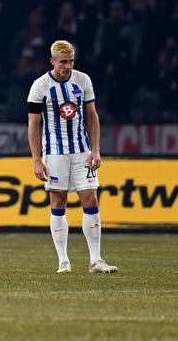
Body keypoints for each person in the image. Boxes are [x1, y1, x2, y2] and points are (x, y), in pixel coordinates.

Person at [27, 40, 118, 274]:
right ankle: (63, 261)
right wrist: (37, 160)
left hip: (81, 151)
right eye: (63, 62)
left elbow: (92, 116)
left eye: (71, 61)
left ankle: (96, 261)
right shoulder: (40, 86)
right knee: (58, 203)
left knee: (91, 200)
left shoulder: (83, 80)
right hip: (55, 153)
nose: (68, 66)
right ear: (53, 62)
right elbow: (33, 124)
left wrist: (95, 150)